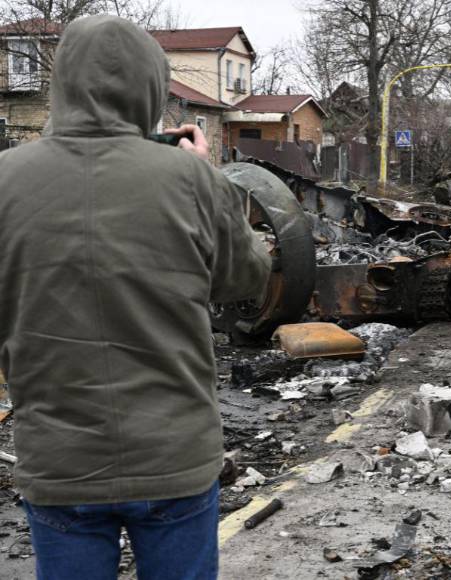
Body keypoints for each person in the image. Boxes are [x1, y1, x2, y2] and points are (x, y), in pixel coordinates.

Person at [0, 15, 271, 580]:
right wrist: (209, 182)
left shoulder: (5, 178)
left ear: (62, 83)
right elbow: (245, 279)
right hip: (174, 455)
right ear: (150, 88)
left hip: (59, 459)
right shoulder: (192, 180)